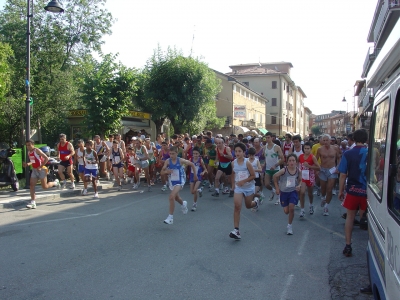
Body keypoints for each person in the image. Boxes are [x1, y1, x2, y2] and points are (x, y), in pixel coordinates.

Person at [338, 129, 368, 257]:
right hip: (368, 190)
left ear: (354, 139)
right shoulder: (372, 152)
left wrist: (340, 190)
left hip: (352, 189)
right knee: (368, 220)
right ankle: (372, 247)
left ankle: (348, 245)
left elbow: (343, 174)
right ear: (366, 139)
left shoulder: (348, 154)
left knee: (350, 218)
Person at [229, 142, 259, 240]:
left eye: (239, 151)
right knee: (237, 207)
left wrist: (243, 181)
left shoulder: (247, 163)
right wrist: (233, 184)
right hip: (239, 187)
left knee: (248, 205)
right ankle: (236, 230)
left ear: (243, 152)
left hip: (249, 187)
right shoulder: (233, 163)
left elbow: (253, 175)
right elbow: (233, 173)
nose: (237, 153)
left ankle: (256, 203)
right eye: (236, 151)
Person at [161, 146, 197, 225]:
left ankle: (170, 217)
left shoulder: (180, 160)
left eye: (173, 154)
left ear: (177, 153)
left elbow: (192, 164)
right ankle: (183, 204)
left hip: (180, 180)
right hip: (172, 181)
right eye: (170, 154)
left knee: (171, 197)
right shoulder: (167, 161)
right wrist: (167, 171)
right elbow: (162, 172)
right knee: (176, 198)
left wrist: (195, 175)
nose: (171, 155)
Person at [24, 139, 60, 209]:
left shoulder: (37, 150)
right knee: (31, 185)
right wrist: (27, 164)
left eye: (29, 145)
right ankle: (33, 202)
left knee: (45, 187)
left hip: (42, 169)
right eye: (27, 145)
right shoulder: (29, 152)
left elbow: (46, 158)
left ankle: (55, 183)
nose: (28, 147)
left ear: (33, 144)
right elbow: (33, 161)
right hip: (34, 170)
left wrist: (40, 167)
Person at [273, 154, 302, 235]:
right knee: (286, 211)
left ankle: (289, 226)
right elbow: (274, 176)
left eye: (293, 160)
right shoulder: (284, 170)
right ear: (287, 162)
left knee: (292, 208)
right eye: (290, 161)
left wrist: (299, 185)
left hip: (293, 191)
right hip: (284, 192)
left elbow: (300, 180)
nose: (291, 162)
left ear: (296, 162)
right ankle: (286, 208)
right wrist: (277, 188)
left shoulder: (298, 170)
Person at [316, 134, 341, 216]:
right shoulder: (320, 149)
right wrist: (317, 169)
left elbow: (339, 158)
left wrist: (338, 167)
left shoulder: (335, 148)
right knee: (323, 188)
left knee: (329, 189)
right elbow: (315, 159)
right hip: (323, 169)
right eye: (324, 140)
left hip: (332, 170)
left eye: (327, 140)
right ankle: (323, 197)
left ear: (330, 141)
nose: (325, 142)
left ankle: (326, 207)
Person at [299, 142, 320, 216]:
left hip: (310, 177)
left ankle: (311, 205)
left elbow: (318, 167)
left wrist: (309, 166)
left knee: (310, 193)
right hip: (303, 177)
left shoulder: (312, 157)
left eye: (308, 149)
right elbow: (298, 165)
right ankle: (302, 209)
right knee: (302, 192)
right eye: (305, 148)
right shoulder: (301, 156)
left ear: (311, 149)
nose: (306, 150)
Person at [263, 132, 284, 204]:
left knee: (276, 184)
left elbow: (283, 159)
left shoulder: (277, 147)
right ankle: (273, 191)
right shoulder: (265, 147)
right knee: (266, 184)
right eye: (266, 138)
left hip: (276, 169)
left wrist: (275, 165)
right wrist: (264, 164)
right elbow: (266, 157)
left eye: (269, 137)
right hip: (268, 169)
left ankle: (278, 198)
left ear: (272, 138)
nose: (267, 139)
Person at [189, 147, 207, 211]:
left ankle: (194, 204)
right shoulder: (190, 159)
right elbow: (186, 166)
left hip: (199, 176)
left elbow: (205, 169)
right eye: (194, 153)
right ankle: (199, 190)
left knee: (194, 190)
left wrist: (203, 172)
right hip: (192, 176)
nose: (195, 155)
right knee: (192, 192)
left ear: (199, 154)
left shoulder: (200, 160)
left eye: (196, 153)